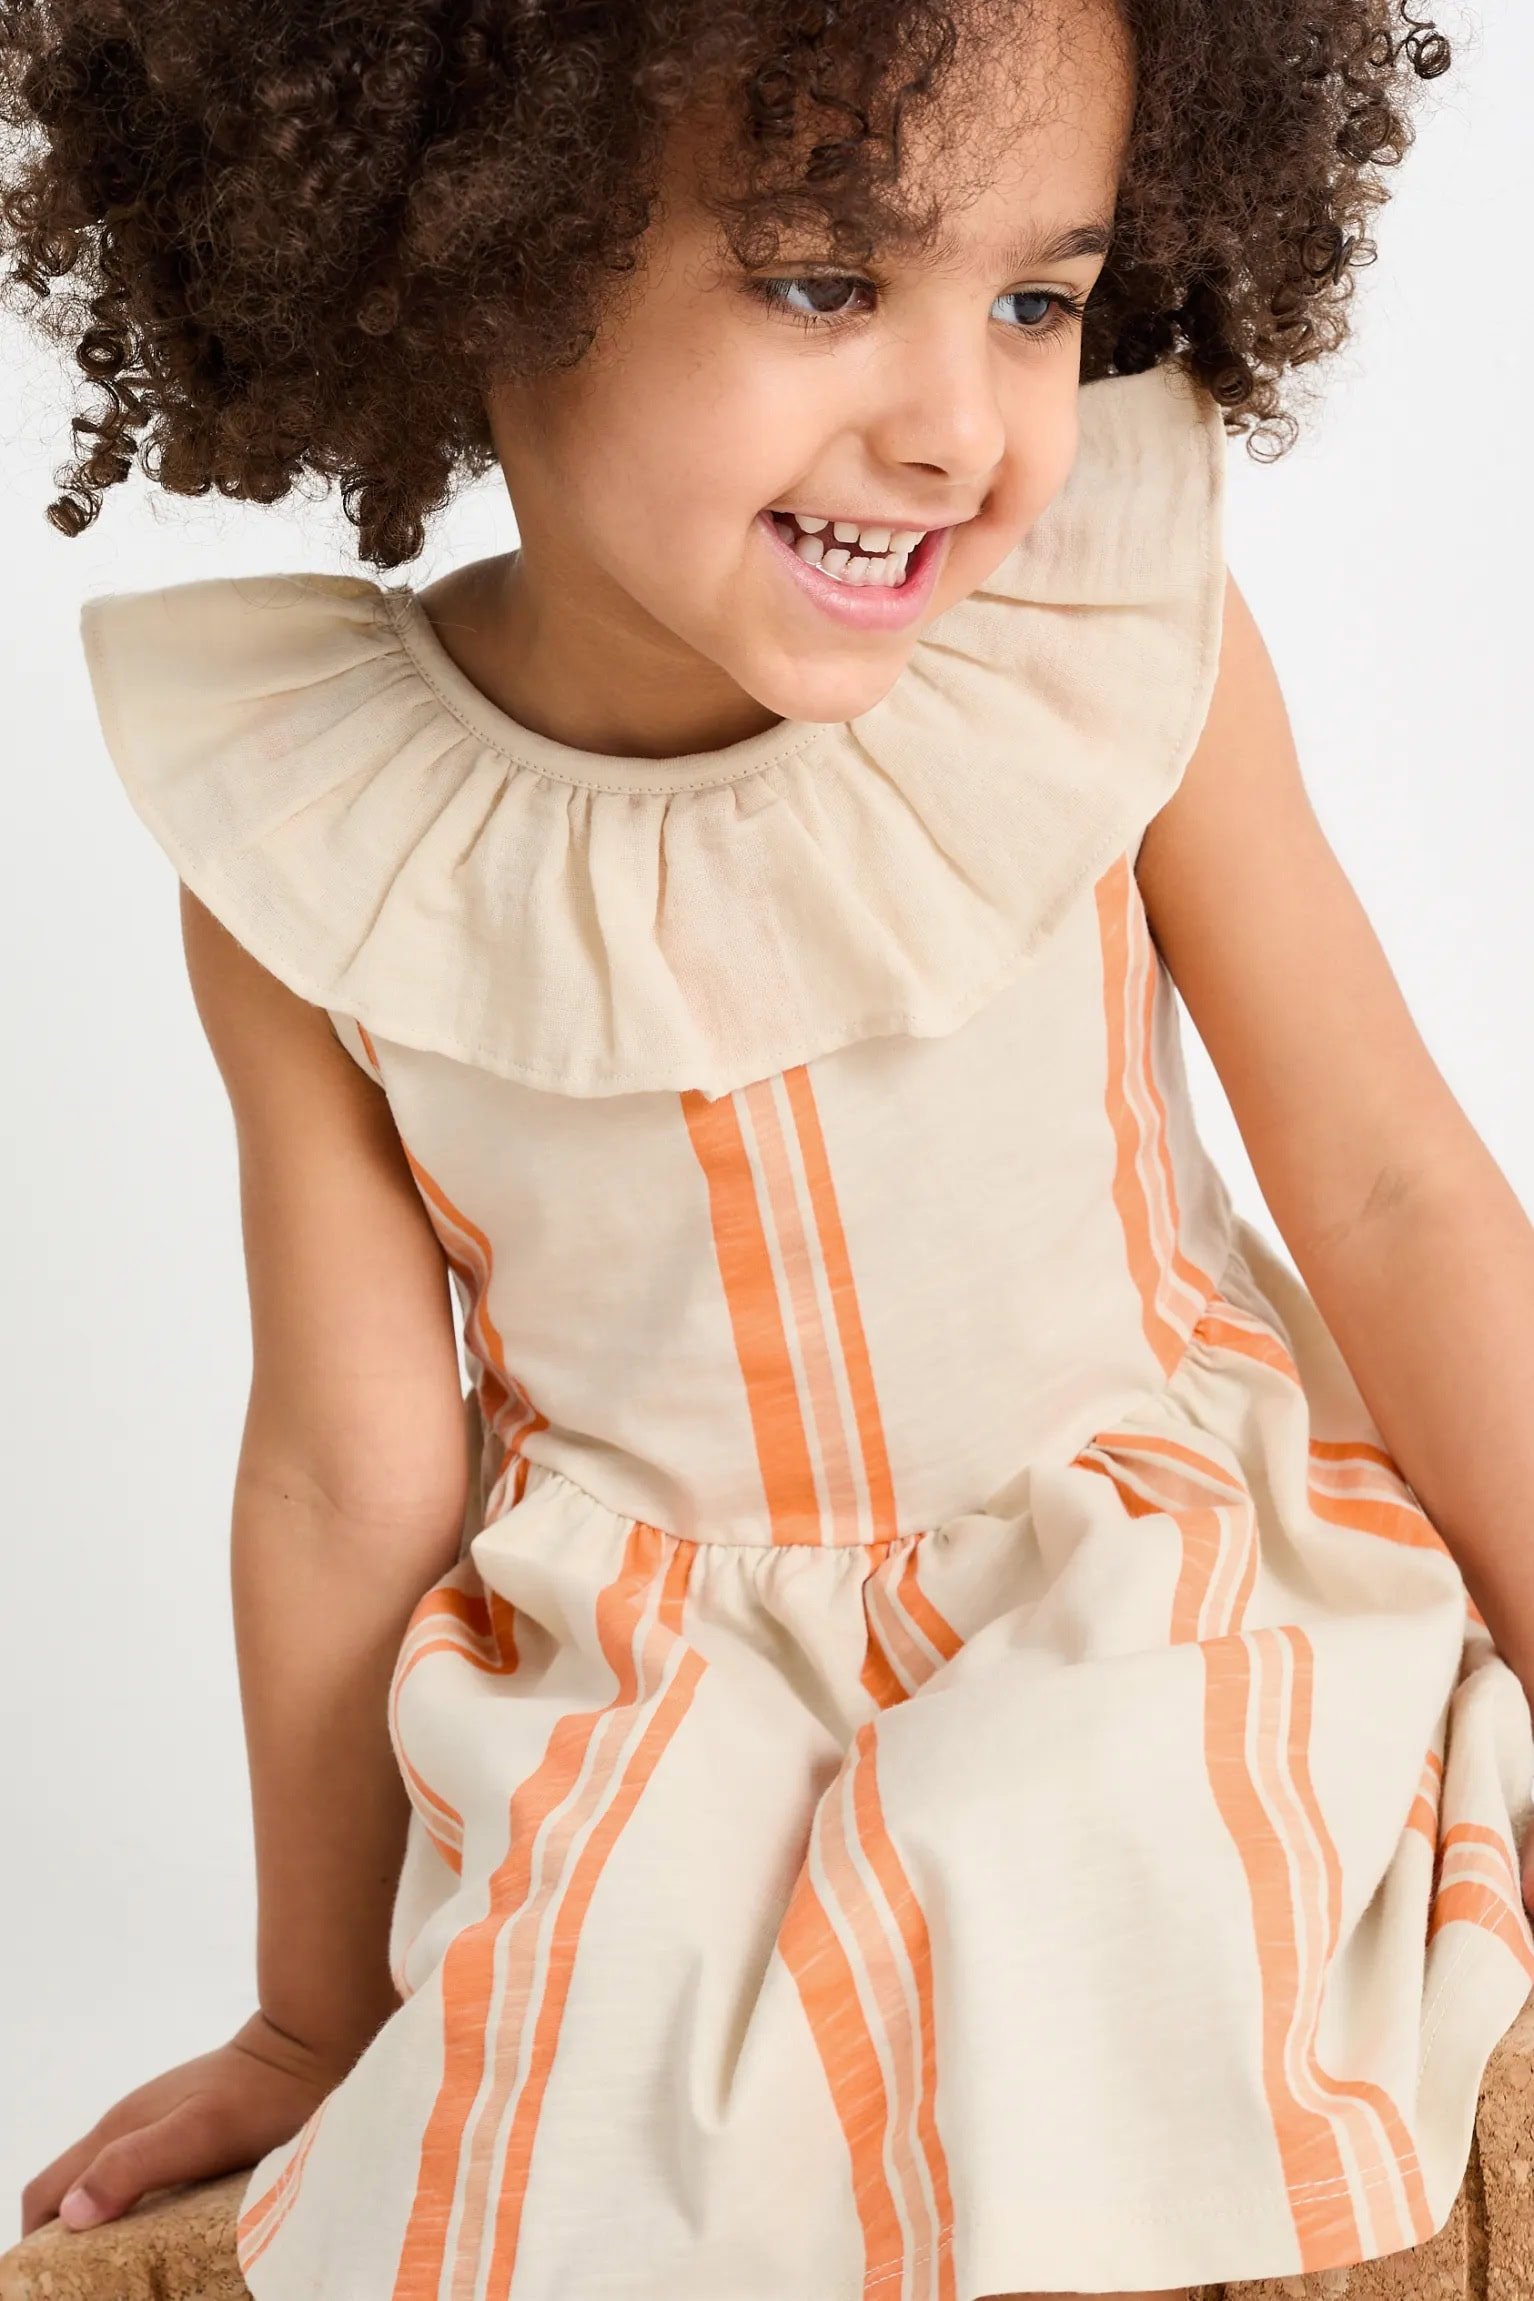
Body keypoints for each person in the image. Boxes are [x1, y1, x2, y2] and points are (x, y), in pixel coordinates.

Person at [5, 1, 1533, 2297]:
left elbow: (1389, 1186)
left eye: (1034, 300)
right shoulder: (325, 842)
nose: (956, 427)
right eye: (826, 280)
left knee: (1070, 1840)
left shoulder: (1098, 640)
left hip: (1147, 1575)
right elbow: (344, 1470)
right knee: (581, 2105)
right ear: (470, 253)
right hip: (671, 1701)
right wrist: (311, 2014)